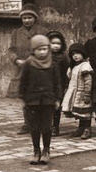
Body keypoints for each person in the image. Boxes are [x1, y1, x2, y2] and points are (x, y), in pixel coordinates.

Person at [19, 35, 61, 165]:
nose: (42, 52)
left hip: (48, 100)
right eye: (39, 49)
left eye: (44, 49)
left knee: (46, 127)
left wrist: (57, 99)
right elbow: (23, 82)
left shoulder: (53, 64)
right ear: (33, 50)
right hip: (32, 100)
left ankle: (46, 151)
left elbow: (57, 83)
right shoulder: (28, 64)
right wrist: (23, 98)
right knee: (34, 127)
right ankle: (36, 151)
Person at [10, 5, 46, 134]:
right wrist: (16, 60)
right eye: (24, 18)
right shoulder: (16, 33)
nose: (27, 20)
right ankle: (28, 123)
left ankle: (42, 122)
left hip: (38, 68)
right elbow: (12, 50)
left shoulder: (42, 31)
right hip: (22, 69)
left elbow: (46, 48)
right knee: (26, 97)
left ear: (34, 18)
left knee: (39, 96)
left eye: (29, 17)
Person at [62, 43, 93, 138]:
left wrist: (87, 94)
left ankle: (87, 129)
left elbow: (88, 81)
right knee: (80, 112)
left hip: (82, 93)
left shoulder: (85, 66)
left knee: (85, 112)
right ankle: (81, 128)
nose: (75, 56)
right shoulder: (73, 67)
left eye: (78, 53)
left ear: (83, 54)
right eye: (73, 54)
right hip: (75, 93)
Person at [46, 31, 69, 135]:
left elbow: (66, 71)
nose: (55, 46)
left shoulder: (63, 57)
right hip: (46, 85)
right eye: (53, 43)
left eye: (58, 44)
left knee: (56, 107)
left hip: (58, 85)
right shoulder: (44, 56)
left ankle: (55, 126)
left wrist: (65, 85)